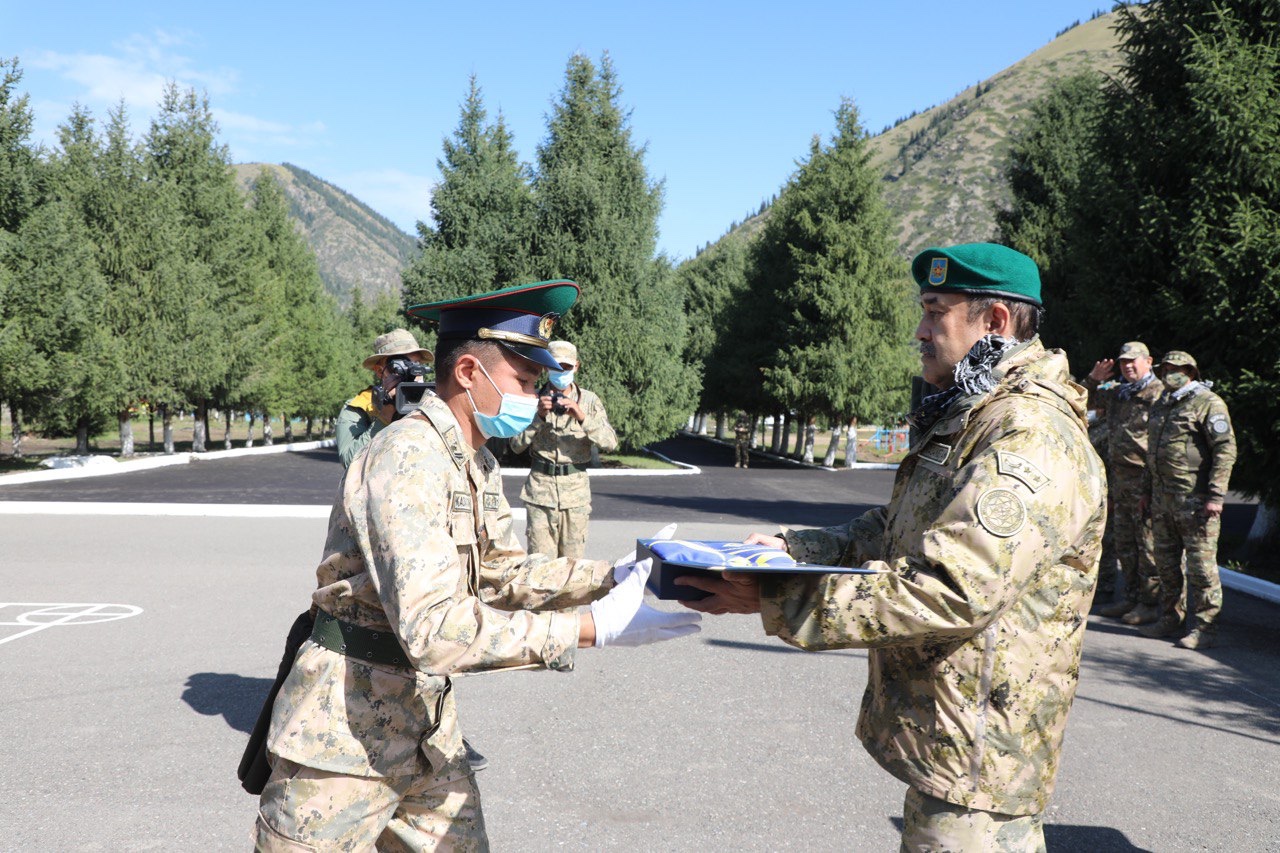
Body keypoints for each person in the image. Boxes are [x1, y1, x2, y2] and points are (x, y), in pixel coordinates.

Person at [680, 243, 1105, 852]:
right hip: (954, 745)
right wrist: (794, 548)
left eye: (936, 312)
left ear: (996, 322)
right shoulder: (979, 414)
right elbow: (904, 525)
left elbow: (953, 589)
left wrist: (779, 597)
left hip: (980, 767)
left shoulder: (1029, 435)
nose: (920, 330)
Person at [253, 280, 700, 850]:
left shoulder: (476, 460)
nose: (537, 396)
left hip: (425, 728)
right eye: (525, 380)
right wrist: (589, 629)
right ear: (468, 372)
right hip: (341, 739)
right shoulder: (408, 456)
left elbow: (501, 571)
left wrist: (616, 575)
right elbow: (435, 629)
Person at [1138, 350, 1236, 650]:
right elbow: (1151, 451)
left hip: (1195, 500)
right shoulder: (1161, 404)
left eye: (1177, 368)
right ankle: (1170, 618)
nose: (1170, 373)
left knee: (1201, 567)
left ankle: (1205, 628)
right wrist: (1146, 491)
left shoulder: (1208, 403)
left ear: (1191, 372)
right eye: (1165, 368)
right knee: (1167, 563)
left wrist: (1216, 495)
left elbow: (1225, 450)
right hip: (1163, 499)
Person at [509, 340, 617, 560]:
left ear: (576, 366)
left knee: (572, 567)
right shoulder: (531, 399)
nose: (561, 371)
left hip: (575, 496)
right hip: (540, 493)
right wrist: (537, 418)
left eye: (566, 367)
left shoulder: (589, 401)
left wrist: (581, 416)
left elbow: (610, 443)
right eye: (555, 366)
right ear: (546, 367)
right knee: (540, 567)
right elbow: (515, 445)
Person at [1085, 342, 1164, 624]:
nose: (1128, 366)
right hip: (1118, 481)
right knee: (1125, 545)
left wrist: (1152, 487)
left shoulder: (1159, 395)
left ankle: (1150, 603)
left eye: (1133, 361)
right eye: (1123, 362)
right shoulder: (1119, 393)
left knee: (1148, 546)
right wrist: (1094, 379)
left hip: (1145, 482)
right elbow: (1086, 401)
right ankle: (1130, 597)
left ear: (1149, 361)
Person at [335, 329, 432, 468]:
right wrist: (384, 418)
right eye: (400, 364)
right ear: (380, 371)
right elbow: (350, 462)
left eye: (416, 363)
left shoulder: (435, 401)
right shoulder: (359, 407)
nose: (410, 370)